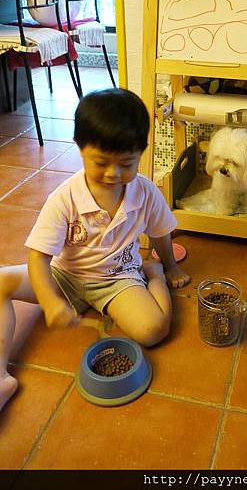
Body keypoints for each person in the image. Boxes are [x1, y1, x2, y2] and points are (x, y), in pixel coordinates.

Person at [0, 88, 190, 411]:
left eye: (126, 164)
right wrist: (49, 301)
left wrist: (168, 267)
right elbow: (38, 258)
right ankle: (1, 377)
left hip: (118, 279)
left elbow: (160, 232)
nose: (113, 174)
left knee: (154, 330)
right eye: (100, 162)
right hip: (65, 275)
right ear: (80, 148)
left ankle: (152, 273)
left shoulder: (145, 193)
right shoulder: (63, 198)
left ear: (141, 152)